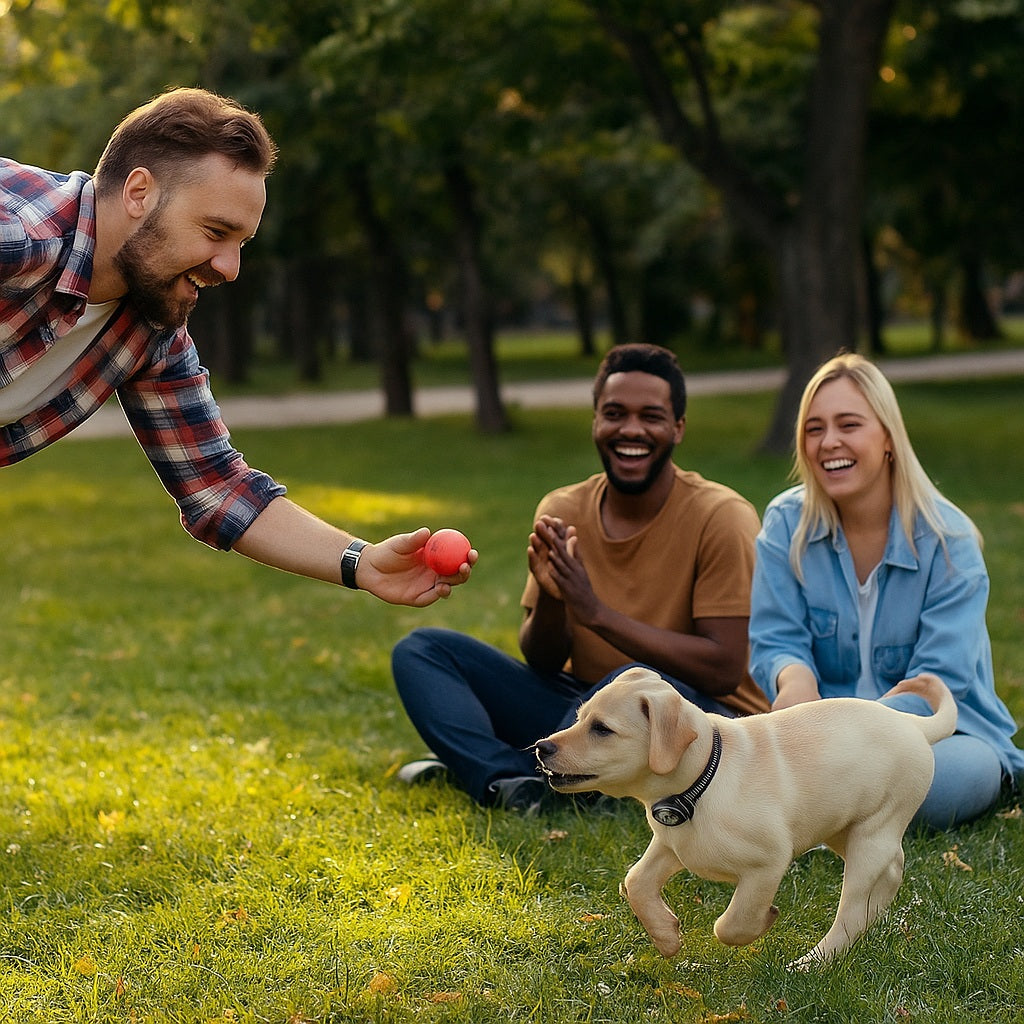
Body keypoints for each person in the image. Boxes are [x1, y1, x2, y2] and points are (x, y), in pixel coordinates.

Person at [1, 87, 473, 606]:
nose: (229, 268)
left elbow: (217, 488)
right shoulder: (22, 236)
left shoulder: (148, 329)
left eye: (240, 243)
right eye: (214, 231)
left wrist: (360, 562)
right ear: (138, 193)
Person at [392, 343, 770, 811]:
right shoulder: (563, 509)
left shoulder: (722, 516)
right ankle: (509, 781)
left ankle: (488, 764)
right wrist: (554, 598)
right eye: (614, 413)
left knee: (632, 677)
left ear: (678, 428)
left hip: (692, 721)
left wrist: (596, 614)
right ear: (596, 421)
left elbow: (723, 667)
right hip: (585, 712)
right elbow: (543, 660)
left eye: (651, 416)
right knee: (424, 650)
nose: (631, 429)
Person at [749, 352, 1023, 830]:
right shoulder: (785, 524)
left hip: (937, 736)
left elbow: (938, 679)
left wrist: (846, 738)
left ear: (888, 437)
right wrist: (795, 680)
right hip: (812, 738)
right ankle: (826, 814)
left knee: (962, 775)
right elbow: (776, 639)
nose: (829, 442)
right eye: (814, 429)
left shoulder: (948, 542)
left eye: (848, 424)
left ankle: (807, 816)